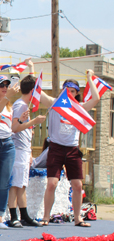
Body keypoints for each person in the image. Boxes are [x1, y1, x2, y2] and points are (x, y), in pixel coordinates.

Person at [39, 70, 100, 227]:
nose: (69, 93)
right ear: (62, 91)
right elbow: (38, 92)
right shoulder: (55, 103)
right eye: (66, 90)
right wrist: (33, 72)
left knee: (77, 185)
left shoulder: (79, 108)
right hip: (56, 148)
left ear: (76, 93)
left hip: (72, 149)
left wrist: (89, 78)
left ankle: (78, 217)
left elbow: (96, 98)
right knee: (52, 183)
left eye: (72, 91)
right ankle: (46, 216)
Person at [7, 74, 47, 227]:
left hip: (24, 150)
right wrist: (33, 121)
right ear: (32, 91)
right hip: (17, 149)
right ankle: (13, 216)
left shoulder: (24, 106)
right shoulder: (20, 105)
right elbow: (15, 128)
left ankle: (24, 214)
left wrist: (30, 152)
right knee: (15, 184)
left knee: (22, 184)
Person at [0, 75, 18, 229]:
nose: (4, 88)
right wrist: (6, 98)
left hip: (7, 143)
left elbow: (12, 127)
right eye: (1, 85)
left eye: (6, 86)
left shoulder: (10, 105)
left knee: (4, 182)